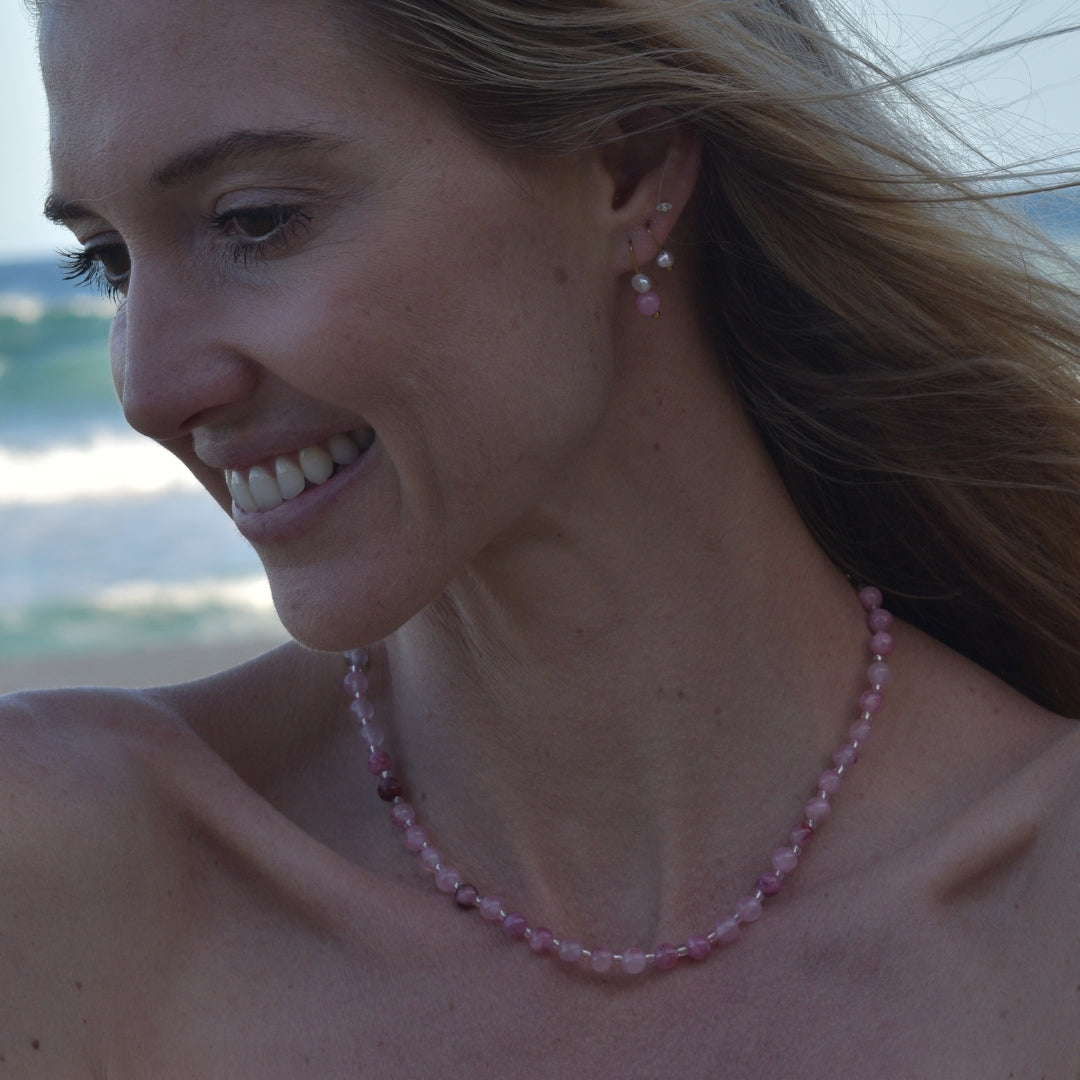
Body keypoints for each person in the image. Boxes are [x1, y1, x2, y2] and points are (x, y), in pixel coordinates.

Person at [3, 0, 1079, 1074]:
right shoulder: (63, 871)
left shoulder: (1042, 905)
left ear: (627, 166)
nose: (151, 389)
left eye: (255, 221)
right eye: (109, 262)